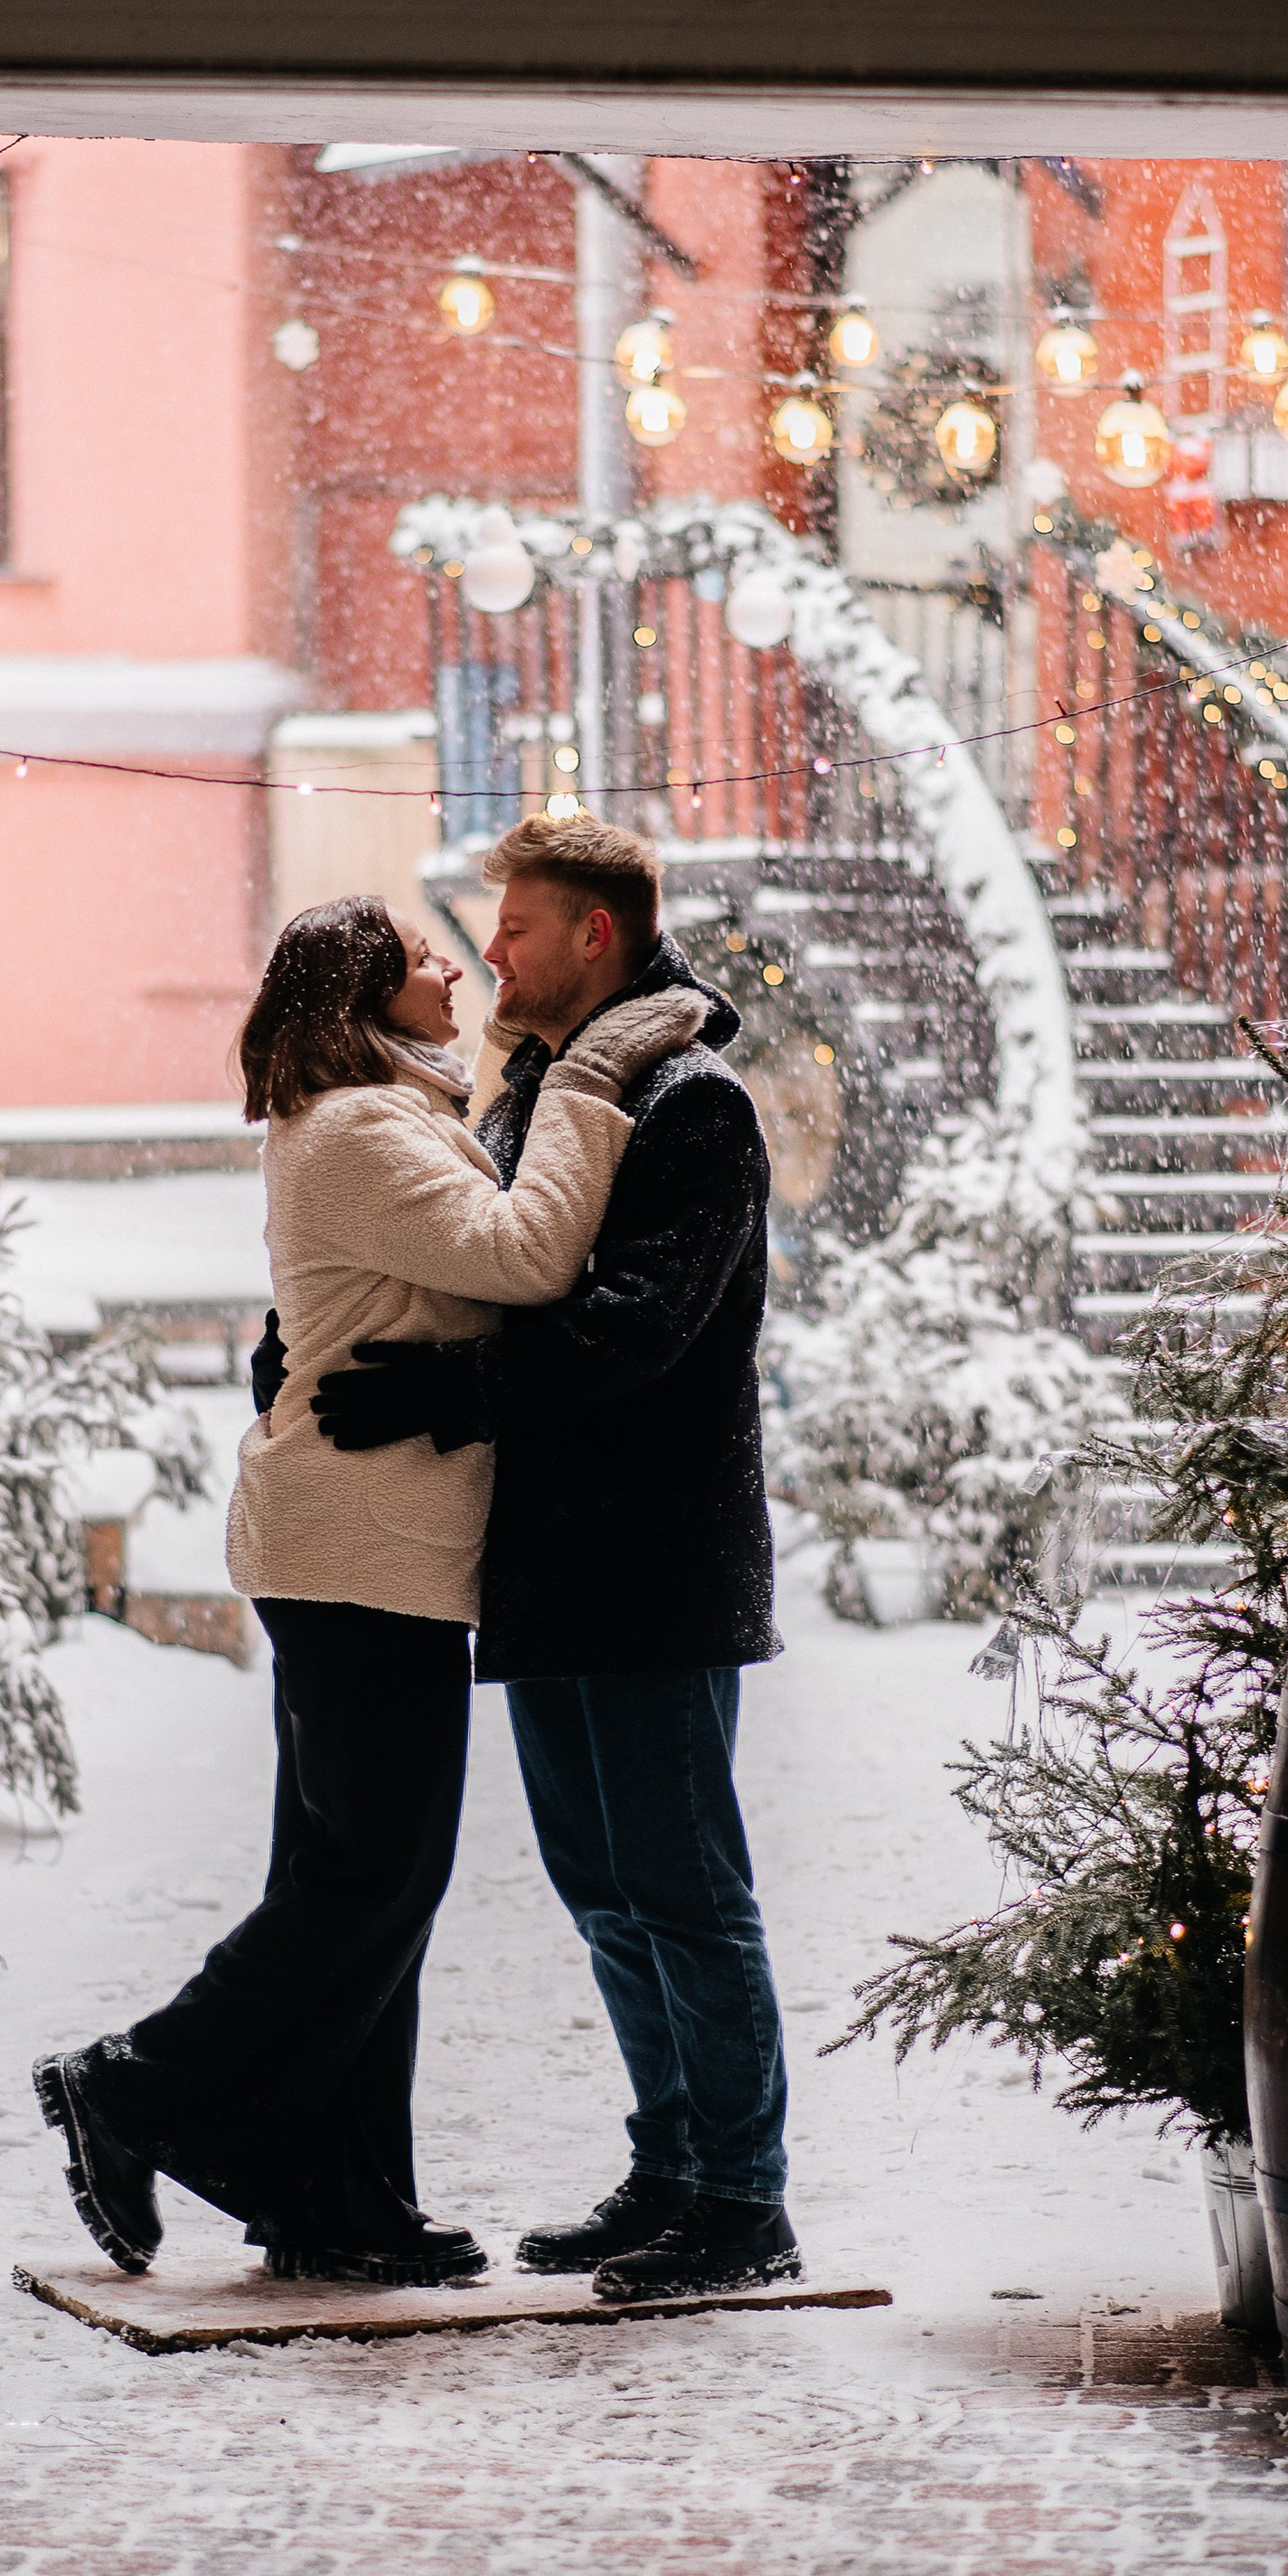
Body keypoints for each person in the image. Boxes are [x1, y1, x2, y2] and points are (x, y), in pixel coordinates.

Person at [34, 892, 706, 2289]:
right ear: (361, 996)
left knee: (359, 1880)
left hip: (371, 1548)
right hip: (359, 1554)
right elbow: (528, 1254)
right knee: (370, 1881)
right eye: (418, 958)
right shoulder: (355, 1131)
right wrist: (584, 1082)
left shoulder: (381, 1116)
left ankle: (339, 2197)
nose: (450, 965)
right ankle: (132, 2089)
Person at [310, 813, 795, 2307]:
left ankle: (741, 2199)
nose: (488, 950)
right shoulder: (552, 1089)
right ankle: (670, 2167)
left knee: (683, 1882)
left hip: (652, 1561)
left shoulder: (694, 1106)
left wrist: (444, 1395)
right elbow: (492, 1271)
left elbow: (634, 1330)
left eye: (515, 927)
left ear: (597, 936)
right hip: (548, 1560)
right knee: (602, 1883)